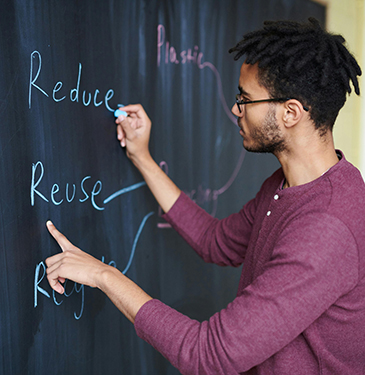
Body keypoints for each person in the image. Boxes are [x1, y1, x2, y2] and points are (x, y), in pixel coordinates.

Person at [45, 18, 365, 374]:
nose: (235, 110)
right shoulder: (284, 187)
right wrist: (141, 157)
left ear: (290, 112)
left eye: (244, 99)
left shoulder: (326, 228)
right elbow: (217, 241)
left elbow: (209, 355)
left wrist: (104, 274)